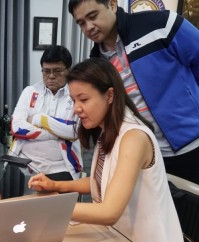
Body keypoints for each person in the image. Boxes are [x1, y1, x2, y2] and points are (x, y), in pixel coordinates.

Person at [28, 58, 185, 242]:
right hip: (118, 241)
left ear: (109, 95)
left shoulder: (134, 138)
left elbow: (109, 212)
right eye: (74, 100)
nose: (76, 108)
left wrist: (46, 208)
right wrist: (56, 185)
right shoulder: (109, 131)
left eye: (83, 100)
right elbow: (102, 182)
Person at [68, 0, 199, 184]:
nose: (89, 27)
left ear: (112, 4)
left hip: (191, 144)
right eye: (81, 23)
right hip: (144, 153)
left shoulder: (161, 24)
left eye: (93, 16)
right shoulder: (97, 62)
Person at [9, 45, 82, 181]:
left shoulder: (75, 94)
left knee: (54, 201)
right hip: (23, 161)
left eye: (57, 71)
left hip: (61, 166)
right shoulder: (30, 91)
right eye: (46, 71)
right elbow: (16, 127)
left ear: (69, 70)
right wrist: (56, 133)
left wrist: (38, 119)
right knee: (8, 198)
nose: (51, 76)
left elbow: (73, 131)